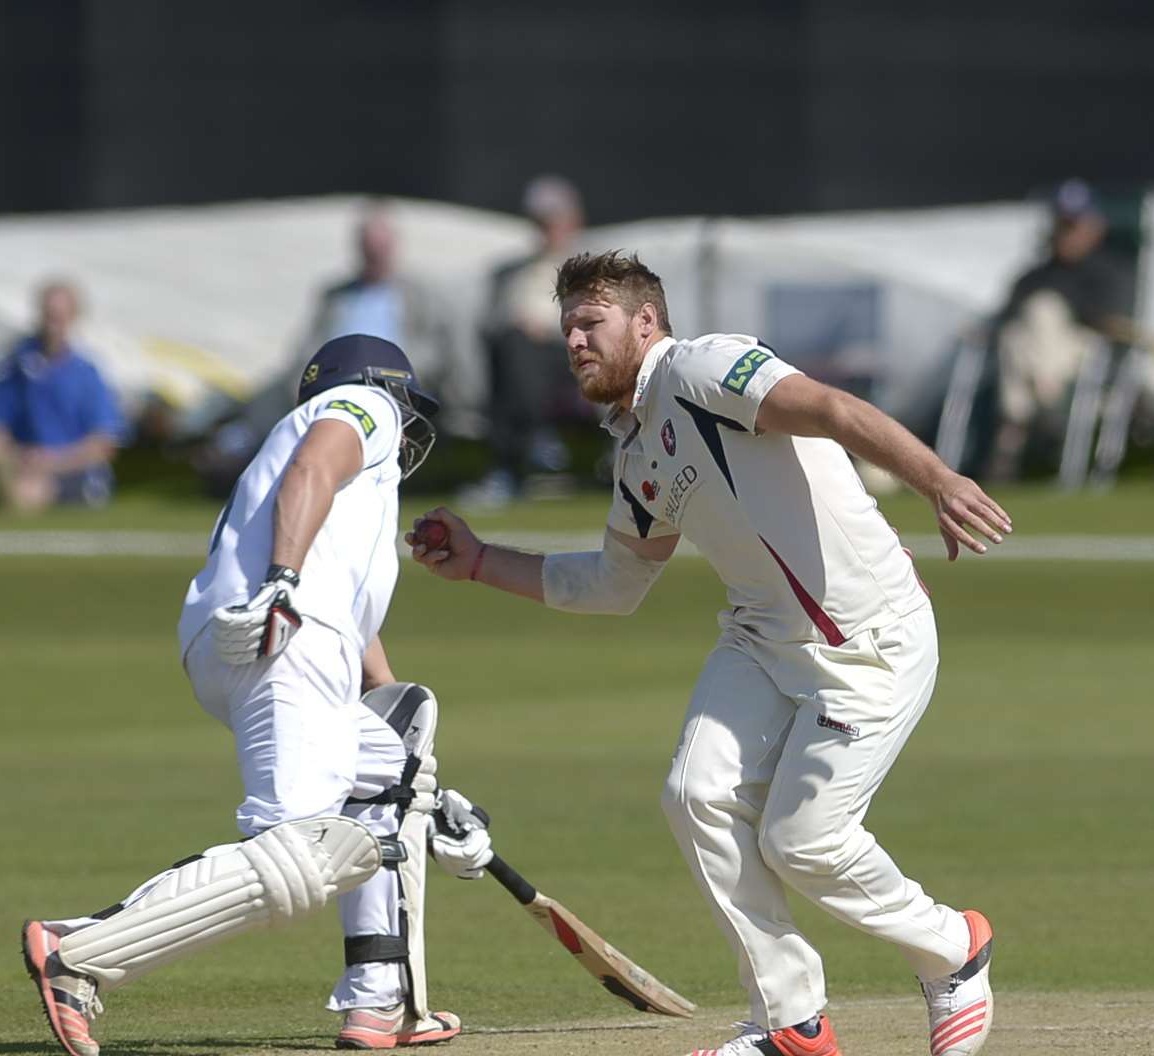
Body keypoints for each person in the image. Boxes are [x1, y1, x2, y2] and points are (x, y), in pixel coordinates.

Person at [409, 253, 1010, 1056]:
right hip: (760, 639)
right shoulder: (634, 452)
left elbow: (830, 407)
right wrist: (482, 561)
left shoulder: (703, 365)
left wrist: (936, 479)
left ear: (645, 323)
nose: (575, 342)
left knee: (803, 844)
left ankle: (952, 949)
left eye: (592, 323)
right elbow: (614, 584)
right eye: (567, 330)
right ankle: (790, 1022)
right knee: (694, 794)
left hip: (872, 642)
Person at [21, 335, 494, 1056]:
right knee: (305, 850)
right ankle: (79, 949)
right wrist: (282, 579)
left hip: (265, 640)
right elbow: (317, 462)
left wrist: (428, 797)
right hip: (282, 635)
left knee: (393, 764)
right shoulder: (359, 405)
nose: (407, 424)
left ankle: (383, 1002)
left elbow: (356, 635)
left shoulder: (323, 492)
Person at [194, 206, 456, 497]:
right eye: (369, 248)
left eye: (380, 248)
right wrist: (301, 380)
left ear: (394, 247)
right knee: (266, 394)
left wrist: (396, 373)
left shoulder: (417, 293)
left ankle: (251, 464)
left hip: (389, 383)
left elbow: (435, 349)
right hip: (333, 378)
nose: (375, 255)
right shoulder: (335, 294)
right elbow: (306, 346)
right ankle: (234, 456)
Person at [986, 180, 1134, 480]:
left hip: (1086, 354)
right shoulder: (1034, 274)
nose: (1067, 233)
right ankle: (1046, 405)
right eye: (1062, 225)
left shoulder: (1108, 271)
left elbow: (1114, 325)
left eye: (1074, 225)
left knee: (1043, 310)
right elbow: (1003, 318)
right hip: (1038, 358)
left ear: (1094, 227)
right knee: (1015, 338)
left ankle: (1013, 435)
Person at [460, 175, 588, 506]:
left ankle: (522, 451)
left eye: (553, 222)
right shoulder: (512, 273)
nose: (547, 231)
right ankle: (535, 438)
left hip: (569, 351)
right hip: (517, 355)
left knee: (519, 353)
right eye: (541, 223)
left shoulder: (588, 267)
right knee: (513, 351)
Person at [0, 280, 124, 511]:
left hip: (72, 469)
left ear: (73, 318)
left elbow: (103, 444)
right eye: (48, 315)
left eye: (59, 317)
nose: (52, 325)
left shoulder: (87, 372)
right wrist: (16, 457)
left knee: (31, 491)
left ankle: (17, 500)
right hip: (25, 465)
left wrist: (51, 462)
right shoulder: (17, 366)